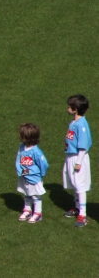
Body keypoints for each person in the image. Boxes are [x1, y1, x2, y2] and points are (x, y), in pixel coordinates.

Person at [62, 94, 92, 228]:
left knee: (79, 185)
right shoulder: (74, 122)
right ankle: (77, 207)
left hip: (77, 157)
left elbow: (83, 146)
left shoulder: (82, 125)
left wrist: (79, 162)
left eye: (69, 106)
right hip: (70, 156)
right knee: (74, 184)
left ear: (75, 109)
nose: (67, 108)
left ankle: (83, 215)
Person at [16, 123, 48, 224]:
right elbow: (18, 161)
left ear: (26, 137)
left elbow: (43, 164)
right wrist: (20, 171)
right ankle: (27, 210)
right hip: (24, 176)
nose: (18, 135)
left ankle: (38, 213)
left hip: (34, 178)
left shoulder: (36, 151)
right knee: (26, 193)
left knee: (35, 195)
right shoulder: (21, 148)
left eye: (21, 134)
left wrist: (39, 174)